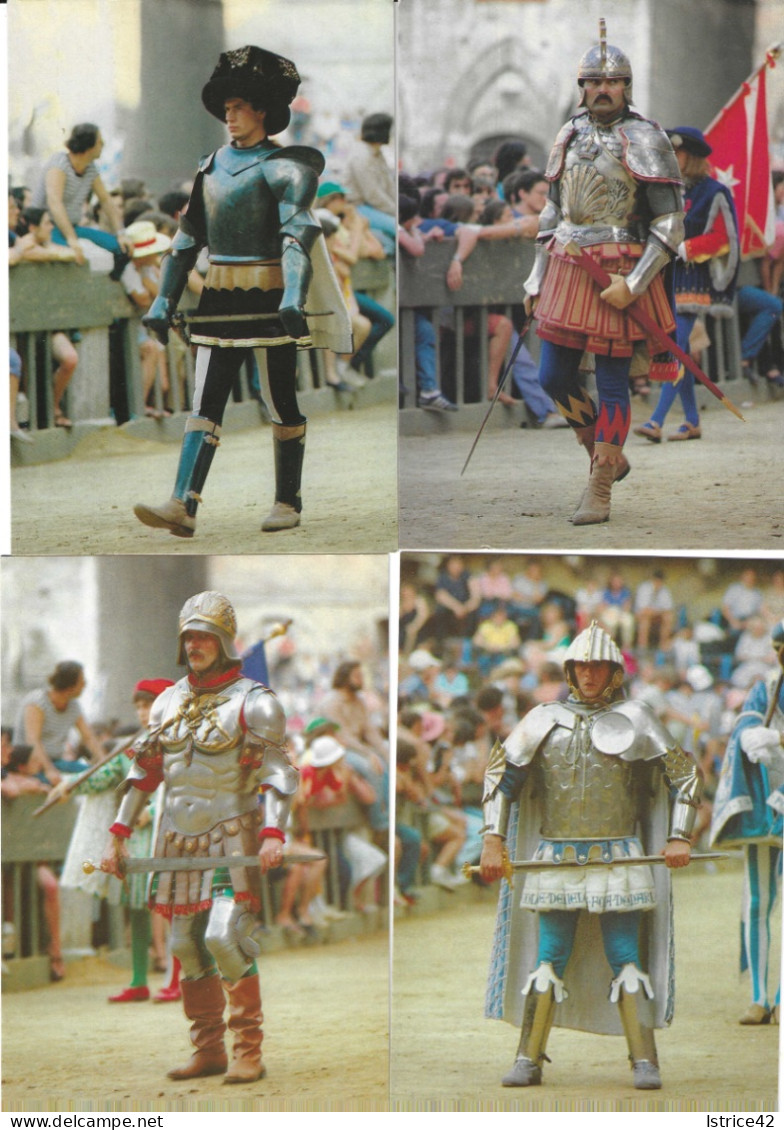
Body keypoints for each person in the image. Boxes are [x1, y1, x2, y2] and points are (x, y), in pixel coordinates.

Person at [134, 45, 350, 538]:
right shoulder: (209, 167)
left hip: (270, 294)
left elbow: (298, 236)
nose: (229, 117)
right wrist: (163, 299)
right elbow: (186, 240)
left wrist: (294, 295)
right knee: (204, 402)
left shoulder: (287, 167)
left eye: (238, 108)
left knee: (280, 401)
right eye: (226, 108)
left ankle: (286, 501)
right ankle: (182, 504)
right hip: (218, 297)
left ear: (262, 111)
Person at [479, 622, 700, 1090]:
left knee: (625, 956)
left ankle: (644, 1060)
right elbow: (500, 778)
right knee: (549, 956)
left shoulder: (637, 718)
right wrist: (492, 841)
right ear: (569, 669)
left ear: (614, 671)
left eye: (598, 665)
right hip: (555, 854)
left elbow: (685, 776)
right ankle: (528, 1057)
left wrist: (679, 835)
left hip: (618, 854)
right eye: (581, 665)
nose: (589, 673)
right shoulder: (541, 717)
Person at [100, 590, 298, 1083]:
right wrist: (118, 835)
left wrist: (274, 832)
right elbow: (144, 774)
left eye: (204, 635)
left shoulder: (256, 701)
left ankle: (247, 1049)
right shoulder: (167, 700)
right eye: (188, 636)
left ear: (223, 641)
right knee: (186, 945)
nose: (194, 644)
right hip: (175, 838)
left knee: (223, 936)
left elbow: (278, 774)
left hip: (232, 833)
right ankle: (208, 1049)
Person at [523, 22, 684, 524]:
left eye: (610, 82)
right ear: (582, 88)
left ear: (625, 86)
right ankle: (606, 453)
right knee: (553, 375)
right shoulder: (568, 133)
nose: (601, 90)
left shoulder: (645, 135)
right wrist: (535, 274)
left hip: (621, 269)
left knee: (613, 384)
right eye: (592, 82)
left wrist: (634, 285)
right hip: (569, 266)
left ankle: (599, 489)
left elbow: (671, 220)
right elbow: (552, 210)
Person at [56, 679, 179, 1004]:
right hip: (136, 839)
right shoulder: (131, 746)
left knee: (178, 911)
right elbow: (102, 776)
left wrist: (152, 812)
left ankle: (180, 979)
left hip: (175, 836)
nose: (142, 712)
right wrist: (67, 785)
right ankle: (139, 980)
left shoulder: (182, 742)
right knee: (137, 909)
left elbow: (183, 790)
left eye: (148, 704)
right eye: (138, 706)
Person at [634, 127, 739, 442]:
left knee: (676, 346)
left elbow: (724, 238)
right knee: (679, 347)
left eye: (675, 153)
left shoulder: (715, 191)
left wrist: (686, 248)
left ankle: (656, 420)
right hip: (665, 277)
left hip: (694, 277)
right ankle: (692, 421)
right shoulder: (667, 190)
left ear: (690, 156)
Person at [710, 618, 784, 1025]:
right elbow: (748, 721)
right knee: (759, 901)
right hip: (768, 797)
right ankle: (759, 997)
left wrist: (778, 739)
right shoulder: (769, 686)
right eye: (777, 647)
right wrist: (754, 735)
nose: (780, 654)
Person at [31, 122, 130, 275]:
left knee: (120, 247)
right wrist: (72, 239)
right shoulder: (59, 164)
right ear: (88, 146)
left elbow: (106, 201)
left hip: (73, 227)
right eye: (99, 141)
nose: (102, 145)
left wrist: (121, 234)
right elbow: (54, 202)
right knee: (73, 257)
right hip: (49, 228)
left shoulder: (90, 168)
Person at [13, 661, 105, 784]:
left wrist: (105, 761)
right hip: (30, 765)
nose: (84, 685)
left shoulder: (73, 706)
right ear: (70, 686)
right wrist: (49, 770)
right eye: (81, 681)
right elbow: (33, 740)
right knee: (58, 782)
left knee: (94, 774)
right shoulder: (37, 703)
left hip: (55, 762)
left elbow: (88, 737)